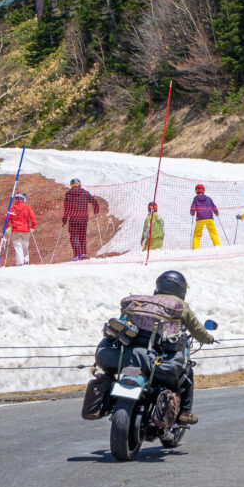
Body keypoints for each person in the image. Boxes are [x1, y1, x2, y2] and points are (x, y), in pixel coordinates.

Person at [88, 270, 215, 425]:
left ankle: (106, 397)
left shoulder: (143, 303)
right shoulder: (180, 306)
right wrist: (209, 339)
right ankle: (185, 413)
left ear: (158, 286)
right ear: (181, 290)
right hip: (157, 358)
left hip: (129, 353)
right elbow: (197, 329)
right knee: (187, 372)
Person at [62, 178, 99, 260]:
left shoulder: (68, 194)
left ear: (71, 185)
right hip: (83, 219)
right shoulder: (85, 193)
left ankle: (77, 255)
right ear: (79, 184)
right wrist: (96, 211)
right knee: (82, 237)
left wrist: (64, 220)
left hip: (73, 219)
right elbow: (95, 202)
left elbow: (66, 209)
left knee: (74, 237)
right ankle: (84, 254)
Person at [7, 193, 37, 265]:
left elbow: (6, 218)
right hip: (25, 230)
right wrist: (33, 227)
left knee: (18, 247)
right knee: (25, 247)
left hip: (16, 230)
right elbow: (33, 218)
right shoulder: (27, 207)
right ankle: (26, 261)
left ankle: (20, 263)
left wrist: (7, 227)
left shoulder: (12, 208)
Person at [189, 184, 220, 249]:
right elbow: (214, 207)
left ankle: (195, 249)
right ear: (203, 190)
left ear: (196, 190)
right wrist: (216, 213)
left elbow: (193, 208)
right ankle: (218, 246)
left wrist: (192, 213)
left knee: (197, 235)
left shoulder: (195, 199)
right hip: (209, 218)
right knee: (213, 233)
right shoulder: (209, 199)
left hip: (200, 218)